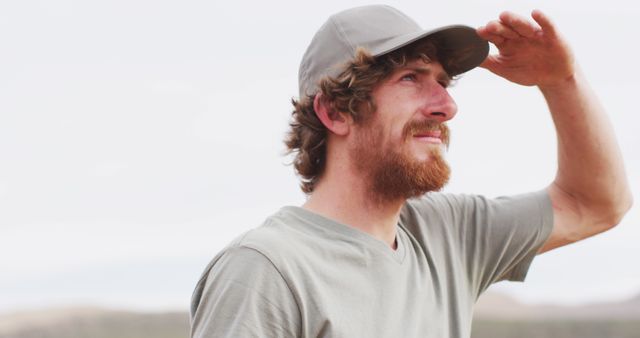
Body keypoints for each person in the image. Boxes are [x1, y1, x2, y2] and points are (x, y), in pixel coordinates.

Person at [190, 5, 632, 338]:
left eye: (442, 81)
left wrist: (560, 81)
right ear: (335, 112)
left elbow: (595, 203)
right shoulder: (266, 271)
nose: (447, 106)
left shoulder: (447, 234)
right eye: (410, 78)